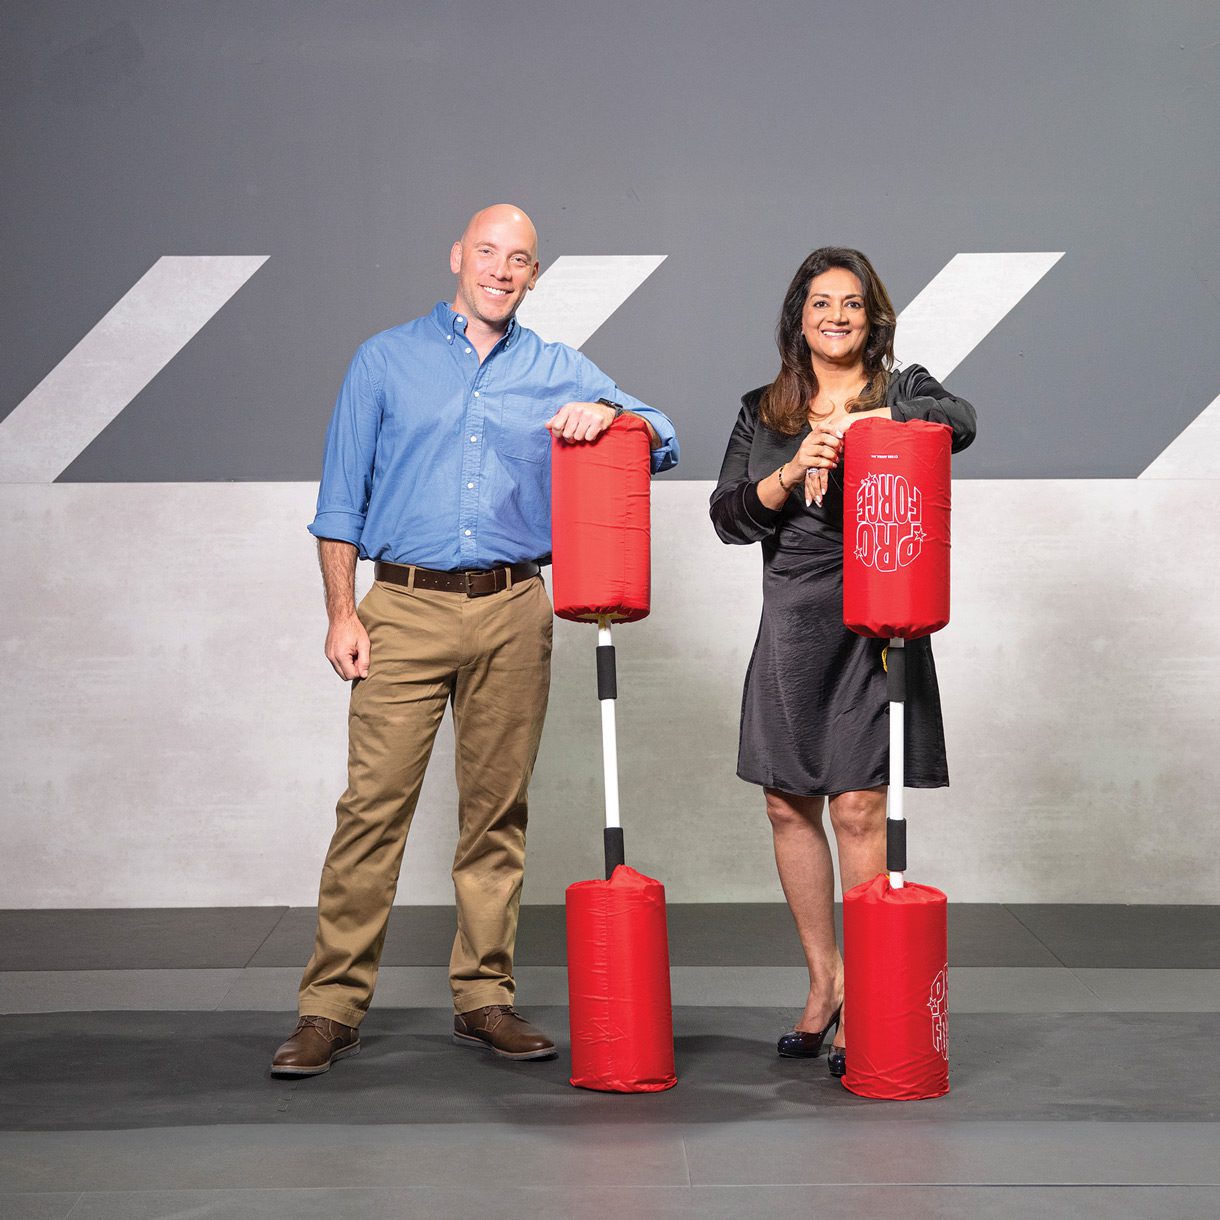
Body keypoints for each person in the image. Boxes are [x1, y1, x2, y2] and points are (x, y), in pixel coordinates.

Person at [271, 204, 679, 1076]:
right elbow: (339, 503)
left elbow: (663, 435)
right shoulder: (384, 359)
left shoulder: (556, 367)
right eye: (488, 252)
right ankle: (329, 1009)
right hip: (403, 606)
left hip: (512, 608)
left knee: (496, 815)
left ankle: (484, 998)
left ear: (534, 274)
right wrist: (342, 612)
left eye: (518, 258)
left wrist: (607, 413)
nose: (501, 269)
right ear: (458, 256)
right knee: (372, 812)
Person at [709, 247, 974, 1077]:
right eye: (820, 303)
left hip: (874, 622)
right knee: (788, 805)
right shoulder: (762, 411)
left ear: (872, 317)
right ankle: (824, 985)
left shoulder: (903, 387)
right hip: (792, 623)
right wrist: (795, 469)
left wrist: (865, 424)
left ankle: (865, 999)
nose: (836, 316)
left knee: (859, 807)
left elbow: (960, 421)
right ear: (799, 317)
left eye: (851, 303)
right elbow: (728, 518)